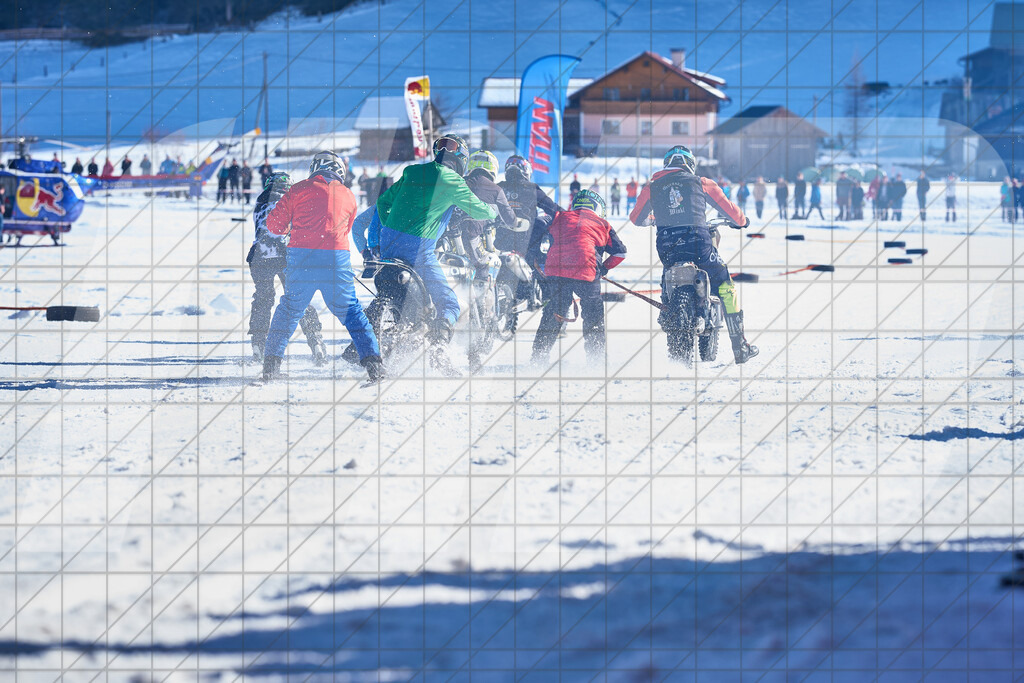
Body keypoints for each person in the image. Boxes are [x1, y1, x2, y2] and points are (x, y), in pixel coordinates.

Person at [374, 133, 497, 375]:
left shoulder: (411, 172)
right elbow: (479, 210)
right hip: (419, 248)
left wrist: (393, 226)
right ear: (462, 158)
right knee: (450, 304)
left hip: (388, 242)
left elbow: (382, 203)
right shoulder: (452, 180)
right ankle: (439, 351)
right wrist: (493, 211)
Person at [629, 145, 758, 364]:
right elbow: (732, 213)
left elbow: (636, 218)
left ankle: (667, 308)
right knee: (725, 285)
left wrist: (653, 220)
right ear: (690, 164)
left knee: (668, 272)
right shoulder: (702, 182)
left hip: (668, 245)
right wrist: (742, 222)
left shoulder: (652, 186)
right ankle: (741, 346)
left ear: (667, 164)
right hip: (699, 244)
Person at [261, 151, 383, 383]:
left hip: (302, 258)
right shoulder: (348, 195)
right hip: (336, 259)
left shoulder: (297, 189)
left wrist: (291, 228)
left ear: (315, 167)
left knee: (289, 310)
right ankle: (374, 364)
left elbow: (274, 225)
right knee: (352, 312)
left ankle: (271, 366)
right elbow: (346, 229)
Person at [529, 189, 625, 365]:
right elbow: (620, 253)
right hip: (587, 271)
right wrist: (603, 269)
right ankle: (595, 360)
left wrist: (535, 256)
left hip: (557, 269)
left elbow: (538, 224)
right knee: (593, 314)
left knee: (554, 313)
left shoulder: (561, 216)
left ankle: (538, 357)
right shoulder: (603, 224)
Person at [444, 150, 515, 370]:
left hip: (447, 242)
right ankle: (486, 317)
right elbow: (510, 219)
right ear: (493, 169)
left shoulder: (459, 182)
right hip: (474, 242)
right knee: (488, 265)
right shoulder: (496, 189)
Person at [246, 172, 326, 366]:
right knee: (298, 297)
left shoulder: (260, 202)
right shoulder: (289, 200)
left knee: (263, 299)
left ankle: (258, 343)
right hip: (285, 254)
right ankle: (315, 342)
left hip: (259, 256)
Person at [497, 154, 562, 308]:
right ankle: (545, 298)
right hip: (525, 242)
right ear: (526, 171)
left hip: (498, 240)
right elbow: (553, 209)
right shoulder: (531, 188)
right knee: (541, 261)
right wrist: (571, 217)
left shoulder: (499, 187)